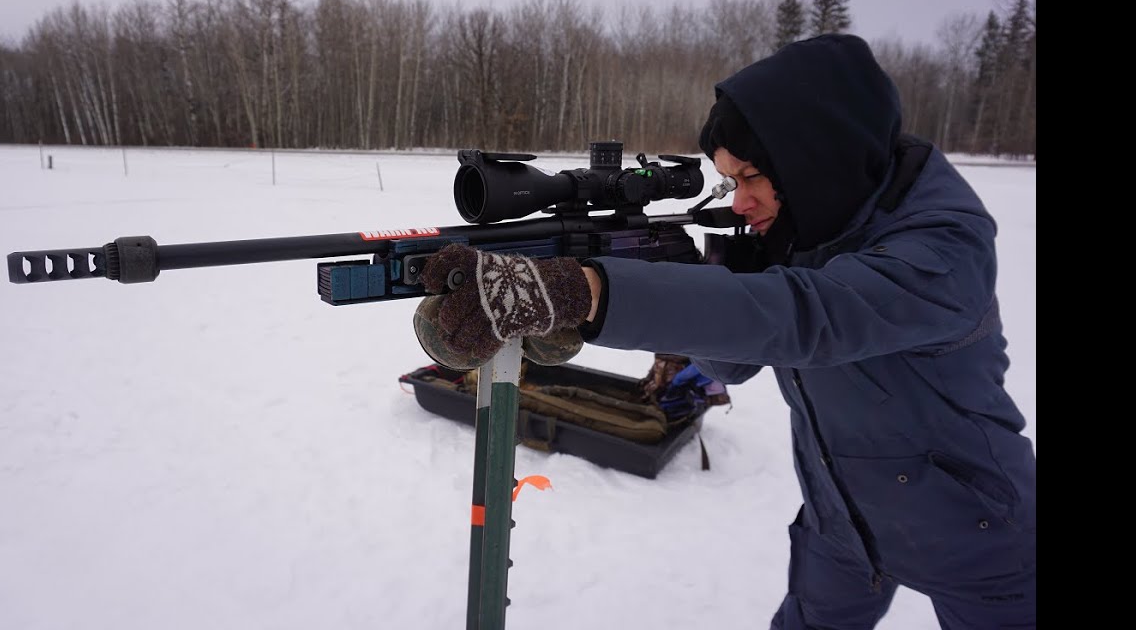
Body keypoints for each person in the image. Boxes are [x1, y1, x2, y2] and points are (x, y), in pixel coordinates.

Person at [414, 33, 1036, 628]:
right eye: (729, 182)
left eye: (751, 177)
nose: (739, 203)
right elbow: (731, 364)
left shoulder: (942, 249)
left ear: (815, 161)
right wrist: (678, 280)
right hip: (837, 518)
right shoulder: (812, 223)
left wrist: (595, 291)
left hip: (977, 534)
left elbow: (806, 316)